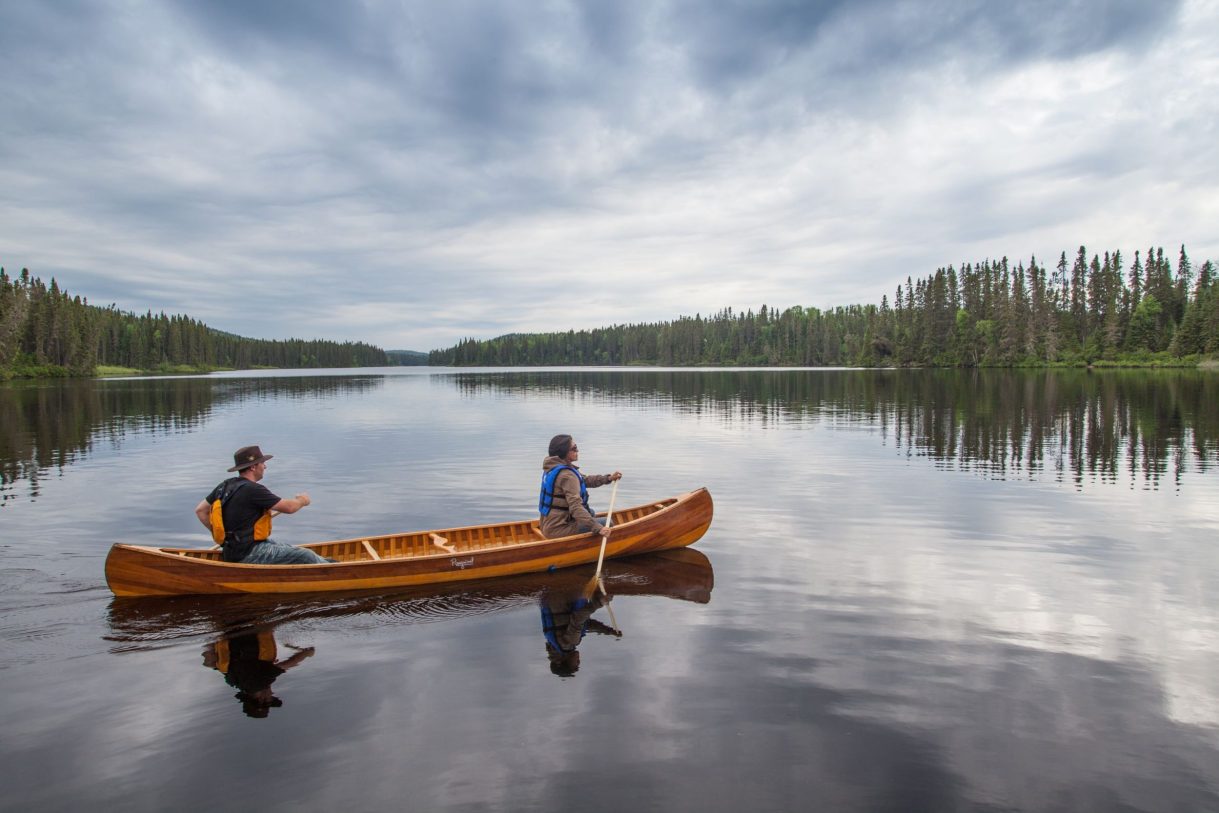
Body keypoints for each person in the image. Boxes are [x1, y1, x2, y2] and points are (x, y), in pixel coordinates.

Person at [194, 445, 328, 565]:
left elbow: (200, 510)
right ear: (253, 467)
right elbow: (289, 507)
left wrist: (223, 538)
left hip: (231, 552)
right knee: (305, 555)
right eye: (262, 463)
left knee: (287, 547)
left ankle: (331, 563)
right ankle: (335, 571)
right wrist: (302, 500)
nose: (265, 466)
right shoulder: (253, 489)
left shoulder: (224, 486)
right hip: (250, 554)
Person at [538, 434, 622, 539]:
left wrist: (608, 478)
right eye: (574, 448)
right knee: (607, 522)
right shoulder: (567, 476)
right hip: (558, 530)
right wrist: (598, 528)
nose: (577, 451)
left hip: (547, 525)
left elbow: (585, 480)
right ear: (564, 451)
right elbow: (576, 507)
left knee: (590, 512)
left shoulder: (553, 467)